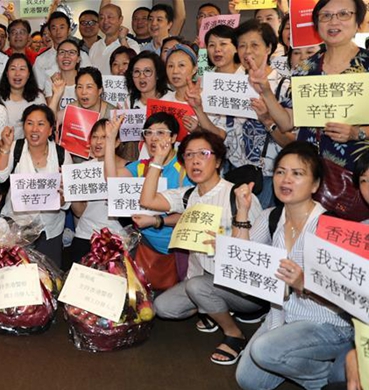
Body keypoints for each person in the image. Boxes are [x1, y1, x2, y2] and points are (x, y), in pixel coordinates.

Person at [235, 142, 354, 389]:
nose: (285, 179)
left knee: (264, 350)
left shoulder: (331, 228)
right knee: (249, 381)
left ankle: (323, 381)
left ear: (315, 185)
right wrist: (242, 212)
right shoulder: (271, 216)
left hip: (329, 323)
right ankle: (319, 369)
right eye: (280, 171)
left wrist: (304, 285)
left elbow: (348, 298)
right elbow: (242, 263)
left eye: (297, 173)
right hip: (283, 315)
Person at [140, 131, 263, 366]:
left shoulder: (237, 195)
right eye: (188, 155)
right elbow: (147, 201)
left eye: (203, 154)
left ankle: (234, 334)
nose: (195, 160)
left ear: (217, 161)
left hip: (242, 285)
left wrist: (225, 246)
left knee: (198, 287)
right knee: (163, 307)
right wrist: (157, 159)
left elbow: (257, 254)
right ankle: (211, 309)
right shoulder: (188, 196)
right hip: (205, 277)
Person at [253, 0, 369, 173]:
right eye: (326, 16)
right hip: (310, 172)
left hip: (360, 174)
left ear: (358, 23)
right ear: (316, 25)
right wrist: (266, 90)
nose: (334, 21)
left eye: (344, 14)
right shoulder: (305, 68)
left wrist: (357, 133)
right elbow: (287, 122)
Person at [104, 112, 191, 286]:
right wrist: (109, 140)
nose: (153, 138)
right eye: (148, 133)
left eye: (160, 132)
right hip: (146, 244)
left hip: (176, 249)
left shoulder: (184, 169)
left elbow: (191, 215)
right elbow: (112, 181)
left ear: (173, 137)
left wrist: (156, 220)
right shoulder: (143, 165)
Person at [223, 20, 295, 208]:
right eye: (242, 45)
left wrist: (267, 120)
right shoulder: (229, 85)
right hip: (233, 172)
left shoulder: (285, 87)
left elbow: (292, 142)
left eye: (254, 45)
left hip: (268, 177)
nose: (247, 52)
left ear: (269, 48)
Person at [0, 105, 72, 267]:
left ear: (50, 130)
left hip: (50, 229)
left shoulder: (62, 154)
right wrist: (5, 146)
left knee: (49, 277)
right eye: (29, 123)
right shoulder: (16, 148)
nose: (35, 129)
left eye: (41, 124)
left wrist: (60, 198)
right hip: (17, 225)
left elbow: (67, 200)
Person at [68, 118, 126, 262]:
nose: (98, 142)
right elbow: (79, 211)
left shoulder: (129, 169)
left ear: (116, 141)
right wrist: (71, 192)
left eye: (104, 137)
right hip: (84, 235)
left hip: (116, 237)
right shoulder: (83, 169)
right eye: (94, 137)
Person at [33, 12, 92, 88]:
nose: (58, 32)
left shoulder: (82, 55)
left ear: (69, 31)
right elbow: (39, 89)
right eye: (54, 28)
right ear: (50, 32)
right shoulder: (41, 59)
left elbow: (90, 82)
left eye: (62, 27)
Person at [0, 53, 46, 140]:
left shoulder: (38, 98)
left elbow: (46, 123)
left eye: (22, 69)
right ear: (6, 73)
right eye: (13, 69)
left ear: (28, 74)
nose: (17, 73)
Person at [89, 4, 140, 76]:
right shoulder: (95, 46)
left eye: (110, 17)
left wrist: (122, 39)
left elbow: (134, 67)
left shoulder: (131, 44)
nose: (105, 21)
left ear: (120, 20)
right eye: (101, 18)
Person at [46, 39, 81, 113]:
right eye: (62, 52)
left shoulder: (85, 80)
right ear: (56, 58)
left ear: (78, 59)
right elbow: (53, 116)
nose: (66, 56)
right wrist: (56, 93)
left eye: (71, 52)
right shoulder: (51, 81)